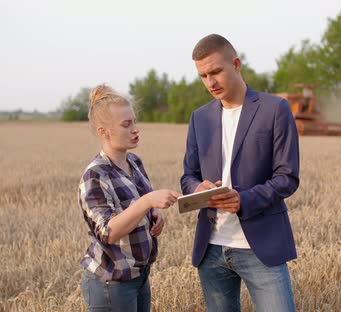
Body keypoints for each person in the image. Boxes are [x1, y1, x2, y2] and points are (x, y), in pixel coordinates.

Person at [180, 34, 300, 312]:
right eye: (203, 76)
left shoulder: (275, 109)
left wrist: (243, 200)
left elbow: (288, 176)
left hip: (261, 246)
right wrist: (197, 189)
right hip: (211, 248)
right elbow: (188, 175)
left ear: (236, 64)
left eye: (216, 72)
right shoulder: (199, 117)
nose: (210, 82)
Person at [78, 84, 181, 312]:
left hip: (139, 275)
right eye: (126, 124)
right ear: (103, 131)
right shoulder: (95, 175)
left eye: (134, 122)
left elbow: (141, 206)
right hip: (112, 282)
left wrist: (154, 215)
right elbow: (108, 232)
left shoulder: (134, 162)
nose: (135, 129)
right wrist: (147, 202)